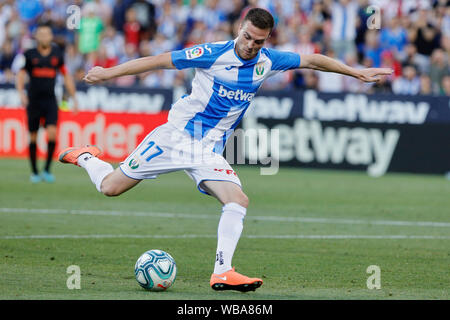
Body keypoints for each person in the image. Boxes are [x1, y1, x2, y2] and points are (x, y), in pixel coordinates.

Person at [58, 8, 392, 292]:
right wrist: (108, 73)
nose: (250, 45)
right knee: (110, 187)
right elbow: (159, 61)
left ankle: (222, 270)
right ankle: (86, 156)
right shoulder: (213, 52)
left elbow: (313, 61)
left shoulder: (267, 61)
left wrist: (355, 72)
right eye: (247, 36)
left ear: (267, 40)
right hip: (176, 136)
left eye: (258, 41)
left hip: (207, 148)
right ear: (240, 29)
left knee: (237, 200)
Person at [16, 23, 78, 183]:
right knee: (33, 136)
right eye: (41, 34)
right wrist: (21, 93)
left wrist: (74, 98)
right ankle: (35, 172)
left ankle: (47, 170)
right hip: (34, 101)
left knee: (52, 133)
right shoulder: (30, 54)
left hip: (50, 100)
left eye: (47, 34)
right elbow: (21, 74)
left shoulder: (57, 53)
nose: (44, 37)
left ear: (51, 37)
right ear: (36, 37)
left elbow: (66, 75)